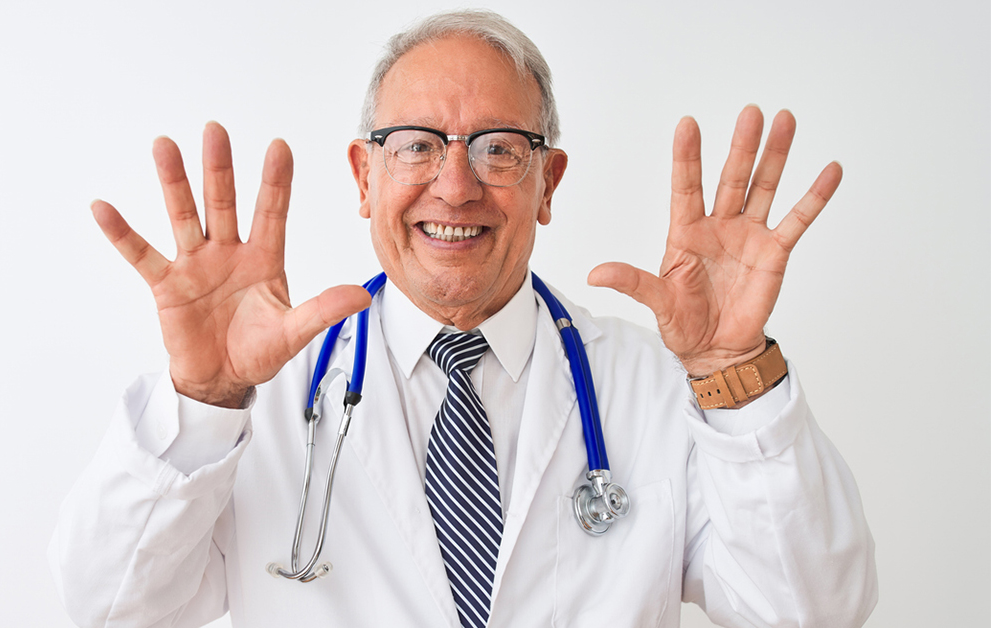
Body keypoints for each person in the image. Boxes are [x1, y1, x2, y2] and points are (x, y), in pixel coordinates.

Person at [49, 9, 876, 628]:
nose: (455, 185)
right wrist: (202, 397)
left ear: (549, 183)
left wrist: (735, 375)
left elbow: (814, 611)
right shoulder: (257, 396)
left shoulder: (660, 387)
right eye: (416, 144)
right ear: (363, 176)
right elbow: (108, 605)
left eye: (498, 147)